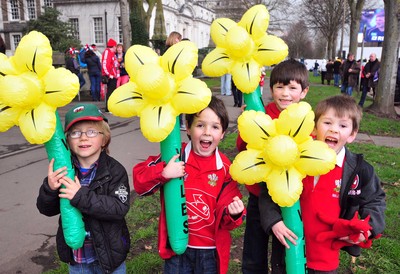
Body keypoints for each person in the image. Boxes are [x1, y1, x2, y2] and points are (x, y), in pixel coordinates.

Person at [260, 95, 386, 273]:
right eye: (327, 123)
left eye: (342, 126)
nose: (334, 130)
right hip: (288, 250)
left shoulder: (359, 170)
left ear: (352, 134)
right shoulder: (294, 160)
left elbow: (375, 201)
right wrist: (274, 221)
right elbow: (269, 191)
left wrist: (367, 228)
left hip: (326, 257)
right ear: (314, 127)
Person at [133, 96, 246, 274]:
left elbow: (228, 218)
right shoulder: (175, 157)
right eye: (200, 125)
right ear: (187, 127)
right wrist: (163, 173)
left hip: (210, 253)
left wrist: (235, 213)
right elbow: (139, 181)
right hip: (178, 249)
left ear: (223, 133)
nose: (207, 132)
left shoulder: (225, 169)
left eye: (215, 127)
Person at [37, 103, 131, 273]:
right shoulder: (63, 169)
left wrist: (80, 196)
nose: (83, 137)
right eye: (75, 132)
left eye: (92, 131)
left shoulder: (115, 171)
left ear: (104, 138)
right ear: (67, 141)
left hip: (109, 257)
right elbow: (46, 209)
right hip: (78, 259)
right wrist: (50, 189)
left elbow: (119, 207)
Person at [238, 59, 309, 274]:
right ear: (271, 90)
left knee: (284, 250)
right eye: (279, 87)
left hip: (290, 198)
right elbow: (243, 149)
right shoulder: (261, 113)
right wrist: (245, 122)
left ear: (303, 92)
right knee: (253, 252)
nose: (285, 93)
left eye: (292, 88)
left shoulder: (305, 119)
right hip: (259, 194)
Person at [165, 31, 186, 130]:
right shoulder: (170, 50)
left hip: (177, 78)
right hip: (171, 79)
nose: (180, 41)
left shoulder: (176, 50)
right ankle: (177, 122)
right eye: (179, 39)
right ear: (174, 38)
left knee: (179, 100)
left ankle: (179, 121)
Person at [102, 38, 119, 112]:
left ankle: (111, 107)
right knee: (110, 92)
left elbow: (114, 65)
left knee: (112, 92)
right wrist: (108, 75)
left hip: (113, 76)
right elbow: (105, 64)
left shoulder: (112, 54)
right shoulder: (107, 52)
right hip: (110, 76)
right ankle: (108, 108)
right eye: (116, 46)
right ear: (113, 46)